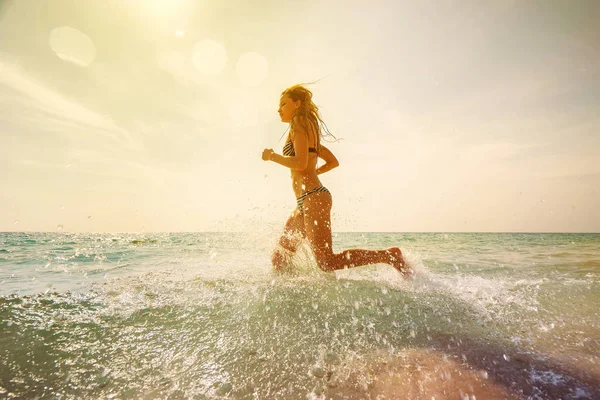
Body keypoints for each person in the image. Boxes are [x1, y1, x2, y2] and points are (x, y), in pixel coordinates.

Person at [262, 84, 412, 277]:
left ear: (297, 104)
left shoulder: (298, 122)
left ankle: (389, 255)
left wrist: (273, 156)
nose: (279, 109)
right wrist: (311, 172)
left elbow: (299, 163)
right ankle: (293, 298)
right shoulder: (308, 130)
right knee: (280, 258)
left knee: (326, 262)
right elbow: (332, 162)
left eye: (283, 104)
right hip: (304, 201)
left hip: (313, 197)